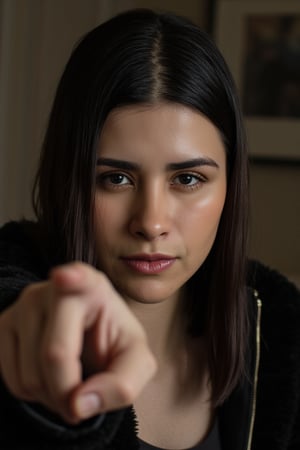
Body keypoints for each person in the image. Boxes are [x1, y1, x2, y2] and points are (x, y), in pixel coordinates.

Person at [0, 8, 299, 450]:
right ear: (69, 180)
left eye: (188, 179)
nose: (151, 223)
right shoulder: (19, 303)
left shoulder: (280, 335)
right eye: (115, 178)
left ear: (230, 186)